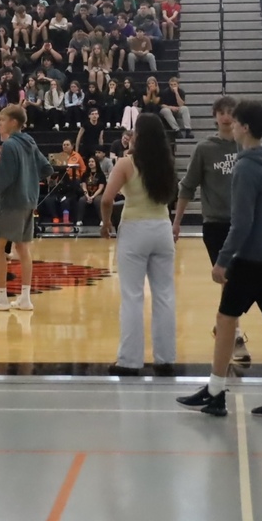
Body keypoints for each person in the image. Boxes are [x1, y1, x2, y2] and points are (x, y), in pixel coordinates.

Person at [177, 99, 262, 419]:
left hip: (250, 258)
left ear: (245, 127)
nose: (230, 126)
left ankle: (215, 391)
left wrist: (222, 260)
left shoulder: (246, 166)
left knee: (225, 320)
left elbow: (242, 222)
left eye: (234, 123)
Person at [99, 113, 178, 376]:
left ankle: (130, 360)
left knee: (132, 296)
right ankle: (165, 359)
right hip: (162, 229)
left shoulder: (125, 163)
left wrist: (106, 223)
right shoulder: (167, 163)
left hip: (135, 229)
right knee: (164, 295)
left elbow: (107, 199)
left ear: (140, 136)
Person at [173, 96, 250, 363]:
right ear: (215, 116)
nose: (227, 116)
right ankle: (235, 334)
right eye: (222, 112)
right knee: (229, 277)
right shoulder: (204, 149)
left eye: (231, 112)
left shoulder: (246, 147)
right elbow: (187, 186)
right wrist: (177, 221)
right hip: (216, 224)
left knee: (240, 280)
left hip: (244, 224)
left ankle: (225, 325)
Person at [0, 104, 54, 311]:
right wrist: (28, 180)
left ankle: (1, 297)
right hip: (29, 202)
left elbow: (2, 181)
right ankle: (24, 298)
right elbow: (47, 168)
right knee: (22, 248)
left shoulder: (11, 146)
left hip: (12, 203)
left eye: (2, 120)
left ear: (13, 123)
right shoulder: (29, 141)